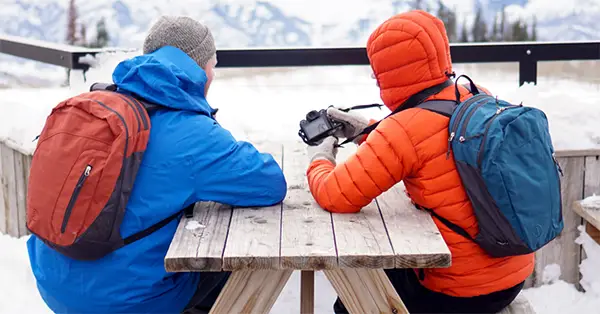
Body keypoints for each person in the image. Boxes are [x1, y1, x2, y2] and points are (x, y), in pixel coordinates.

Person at [27, 16, 287, 314]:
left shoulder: (99, 104)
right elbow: (269, 182)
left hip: (52, 283)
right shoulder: (191, 132)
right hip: (124, 302)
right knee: (231, 263)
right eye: (213, 65)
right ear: (201, 69)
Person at [305, 10, 534, 314]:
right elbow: (429, 142)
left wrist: (319, 155)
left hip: (456, 292)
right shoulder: (476, 95)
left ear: (388, 73)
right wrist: (368, 131)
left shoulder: (402, 130)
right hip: (512, 273)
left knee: (356, 296)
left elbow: (335, 195)